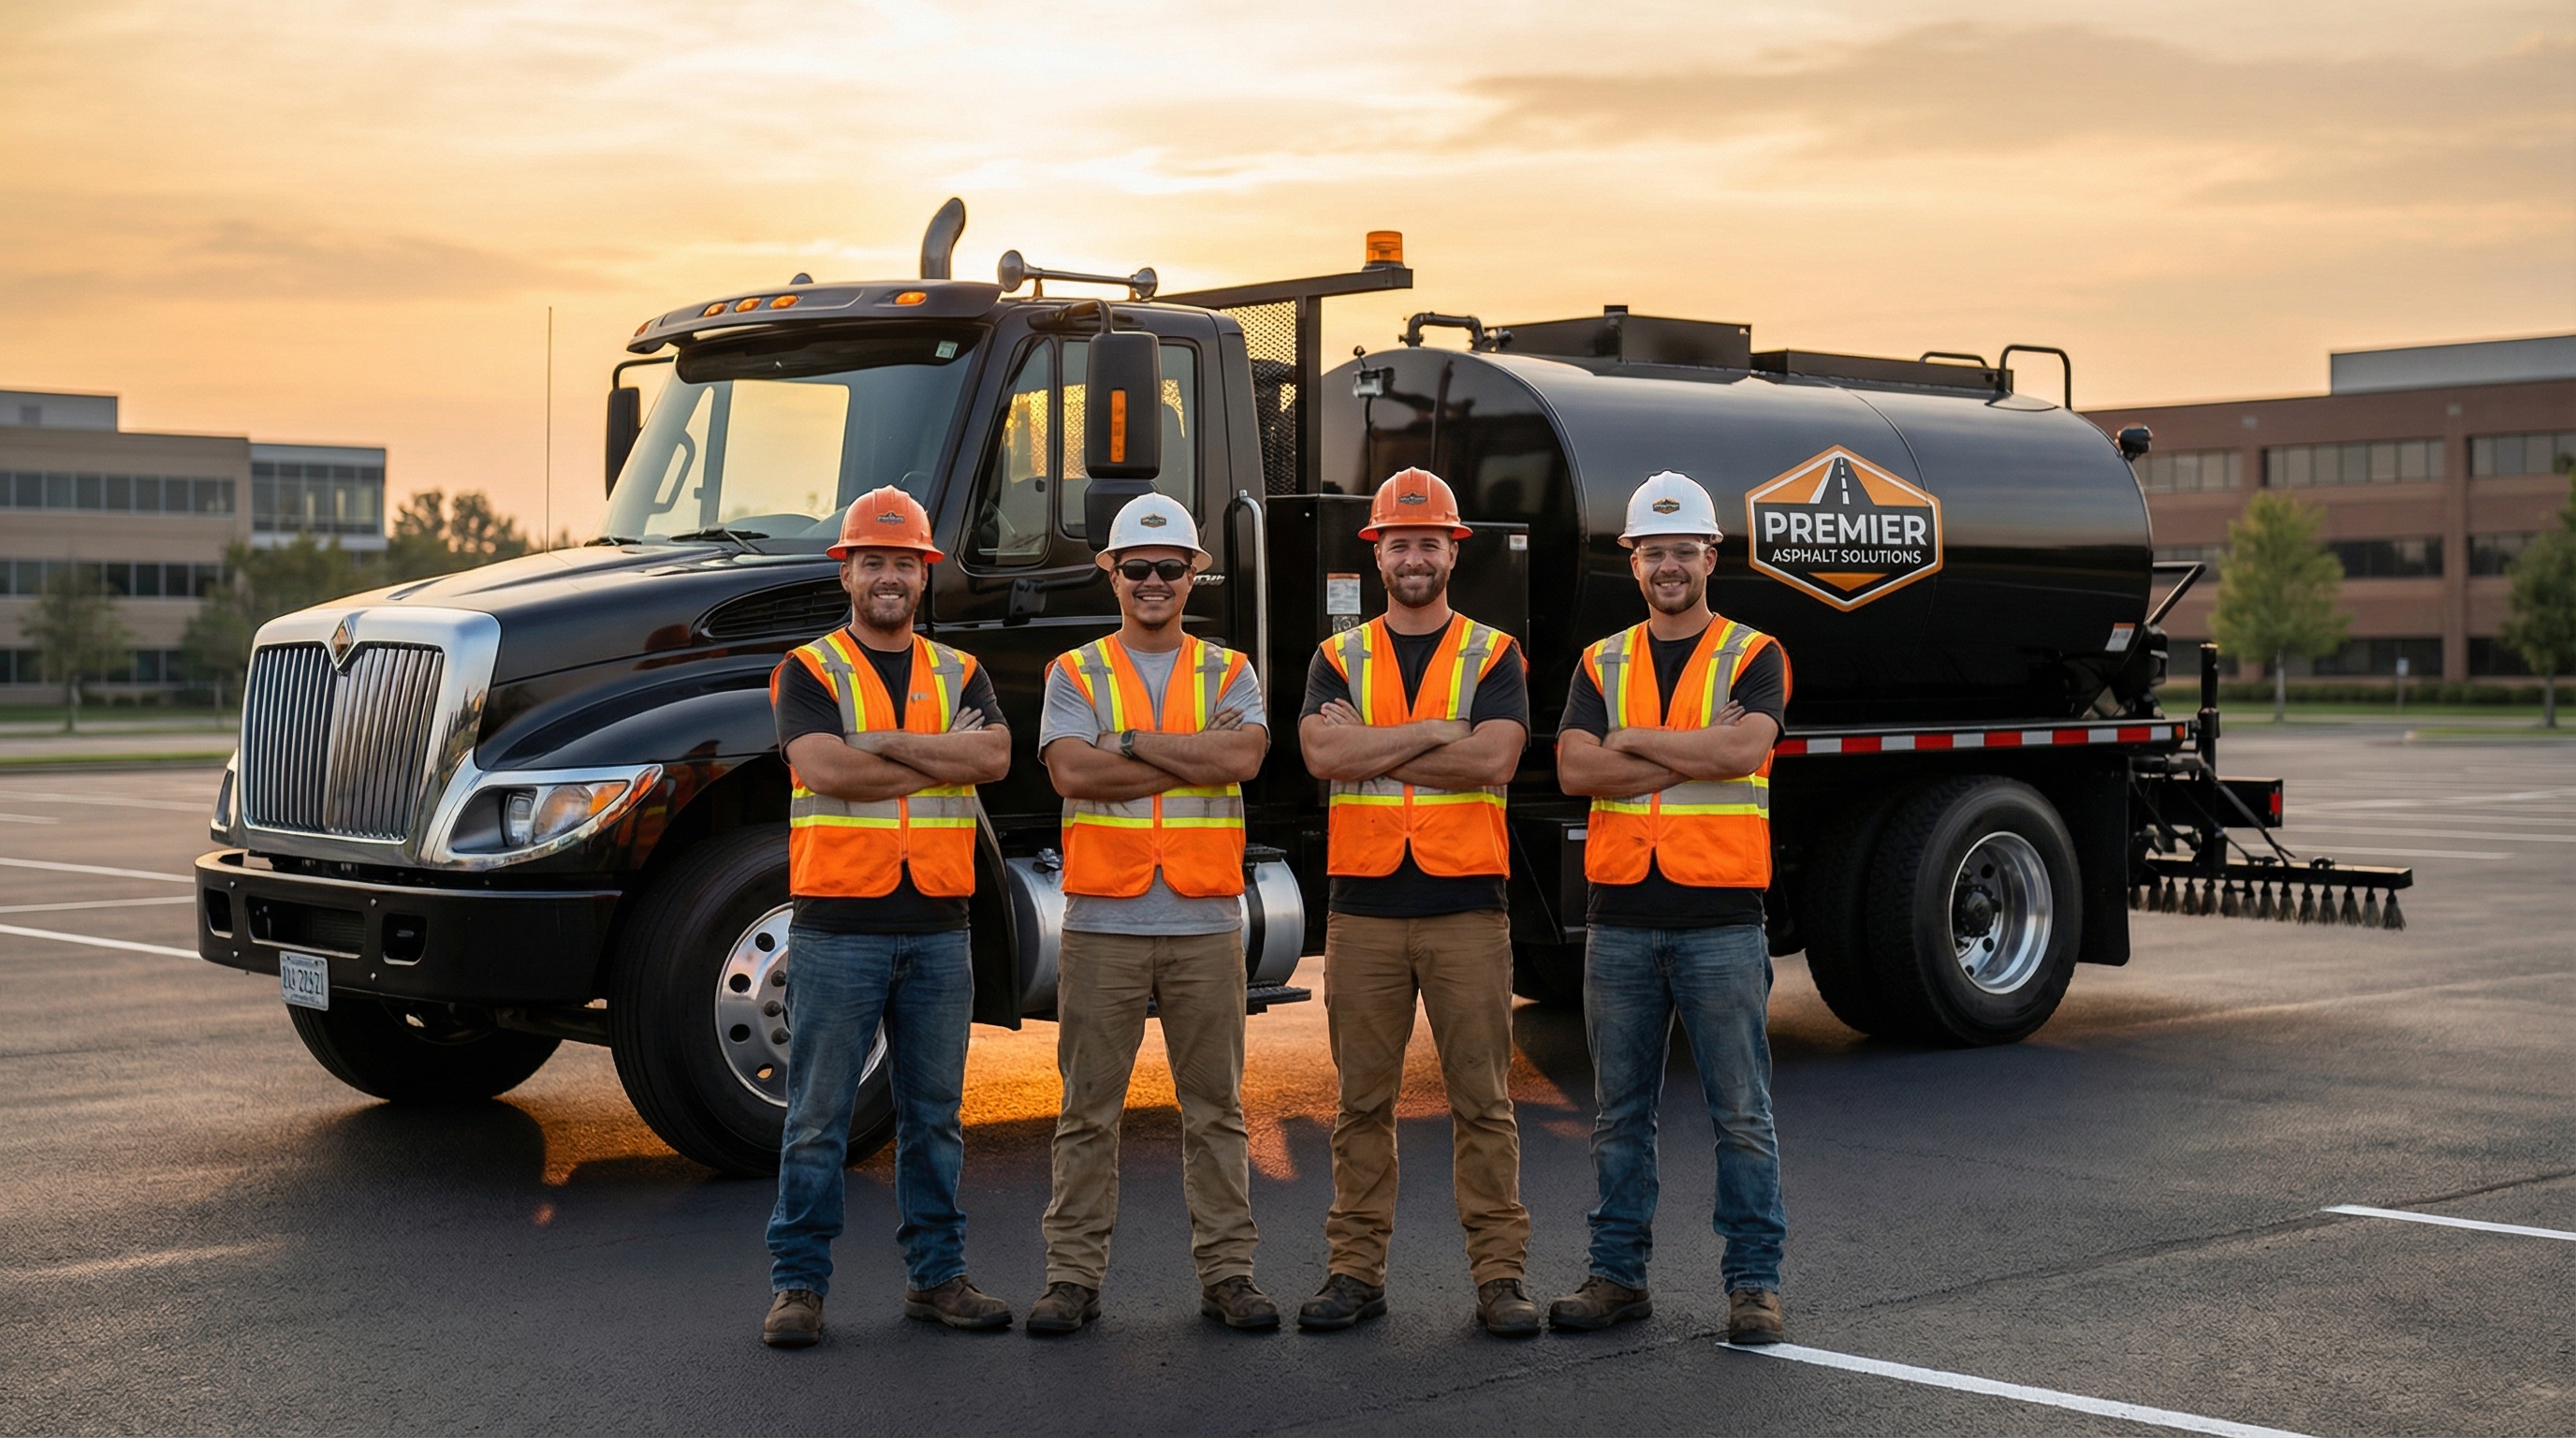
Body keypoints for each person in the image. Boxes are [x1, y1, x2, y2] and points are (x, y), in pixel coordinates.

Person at [762, 487, 1016, 1348]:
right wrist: (937, 760)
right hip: (838, 928)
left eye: (903, 563)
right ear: (848, 572)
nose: (888, 577)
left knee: (935, 1117)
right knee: (817, 1119)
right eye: (872, 561)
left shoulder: (960, 671)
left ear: (923, 574)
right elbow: (826, 768)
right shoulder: (808, 670)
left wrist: (880, 748)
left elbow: (996, 755)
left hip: (941, 926)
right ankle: (798, 1287)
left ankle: (937, 1278)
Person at [1547, 470, 1794, 1347]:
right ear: (1634, 560)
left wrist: (1633, 741)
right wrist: (1698, 751)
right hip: (1619, 918)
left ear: (1710, 556)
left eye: (1683, 550)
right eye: (1653, 552)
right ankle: (1617, 1277)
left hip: (1722, 918)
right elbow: (1576, 770)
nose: (1668, 566)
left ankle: (1754, 1285)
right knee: (1618, 1113)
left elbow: (1747, 748)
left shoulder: (1754, 653)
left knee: (1742, 1114)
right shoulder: (1600, 660)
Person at [1293, 468, 1539, 1337]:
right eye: (1399, 542)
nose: (1413, 556)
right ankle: (1355, 1272)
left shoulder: (1493, 653)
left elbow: (1493, 762)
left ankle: (1500, 1278)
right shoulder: (1338, 654)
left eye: (1428, 541)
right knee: (1362, 1102)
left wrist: (1374, 746)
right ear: (1377, 554)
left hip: (1468, 906)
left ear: (1452, 552)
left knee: (1483, 1102)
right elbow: (1323, 757)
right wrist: (1440, 730)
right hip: (1363, 909)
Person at [1029, 492, 1279, 1336]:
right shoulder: (1076, 671)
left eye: (1170, 568)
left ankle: (1229, 1276)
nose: (1153, 582)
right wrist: (1190, 760)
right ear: (1111, 573)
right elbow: (1070, 773)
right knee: (1085, 1112)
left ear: (1193, 575)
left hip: (1206, 918)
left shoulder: (1230, 670)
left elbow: (1243, 755)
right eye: (1136, 567)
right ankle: (1071, 1279)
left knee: (1217, 1111)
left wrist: (1126, 743)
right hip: (1104, 918)